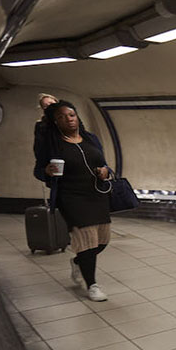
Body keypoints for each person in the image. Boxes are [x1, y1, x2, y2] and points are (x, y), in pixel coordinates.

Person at [35, 101, 111, 302]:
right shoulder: (51, 144)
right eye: (61, 117)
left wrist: (105, 171)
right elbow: (38, 170)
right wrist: (46, 171)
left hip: (96, 195)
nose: (68, 119)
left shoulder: (90, 138)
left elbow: (103, 163)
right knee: (86, 240)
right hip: (71, 197)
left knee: (102, 241)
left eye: (71, 115)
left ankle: (77, 262)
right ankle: (92, 285)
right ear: (55, 122)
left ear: (77, 117)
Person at [33, 93, 58, 179]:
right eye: (46, 106)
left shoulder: (71, 121)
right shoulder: (41, 126)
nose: (50, 107)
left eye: (51, 104)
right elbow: (39, 149)